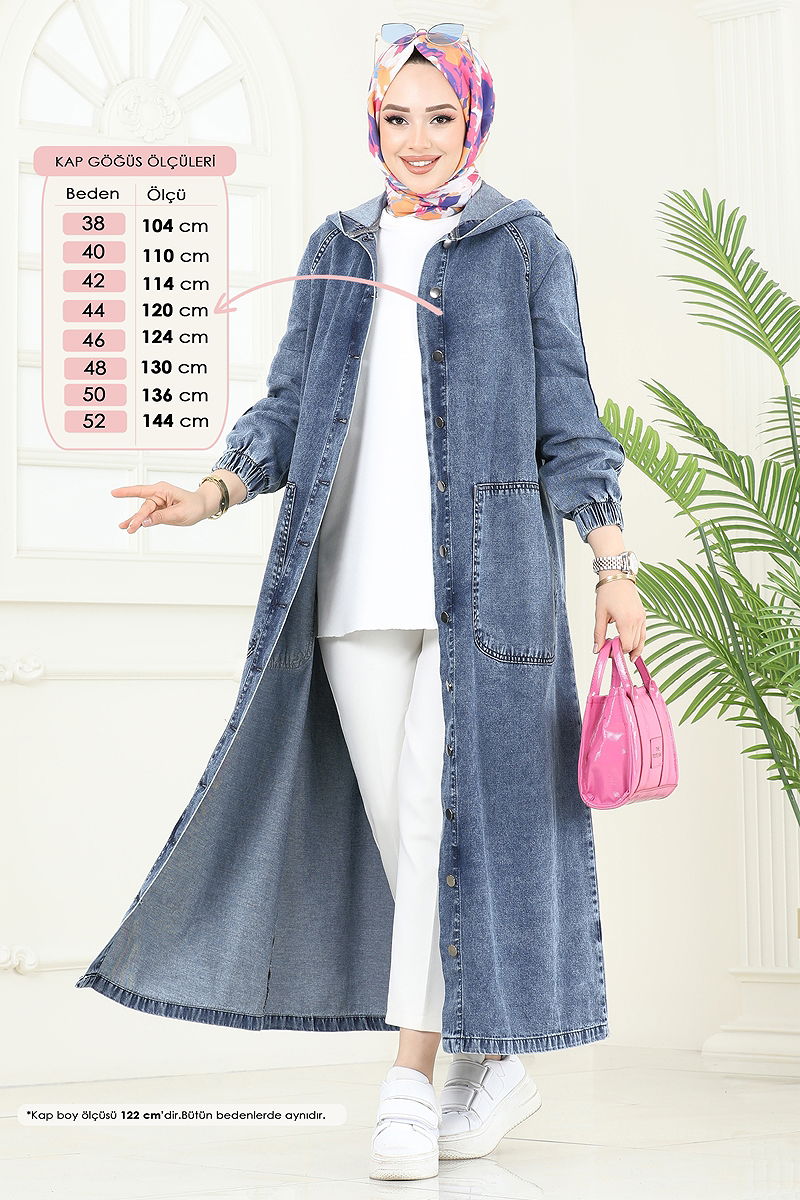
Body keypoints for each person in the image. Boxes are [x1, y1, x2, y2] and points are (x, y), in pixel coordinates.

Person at [100, 24, 646, 1185]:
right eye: (397, 118)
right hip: (347, 586)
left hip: (482, 594)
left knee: (435, 823)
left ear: (473, 120)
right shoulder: (336, 244)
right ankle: (496, 1060)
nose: (416, 140)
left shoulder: (520, 244)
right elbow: (288, 407)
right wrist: (211, 490)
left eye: (439, 117)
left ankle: (408, 1082)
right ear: (374, 123)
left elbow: (569, 420)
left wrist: (610, 562)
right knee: (411, 844)